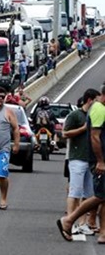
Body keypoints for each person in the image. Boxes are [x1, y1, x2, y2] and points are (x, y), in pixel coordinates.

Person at [58, 85, 105, 242]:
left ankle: (94, 228)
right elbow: (94, 136)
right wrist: (100, 160)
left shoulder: (97, 109)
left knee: (95, 195)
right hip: (85, 158)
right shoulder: (93, 110)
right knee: (89, 194)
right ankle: (69, 220)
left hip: (94, 159)